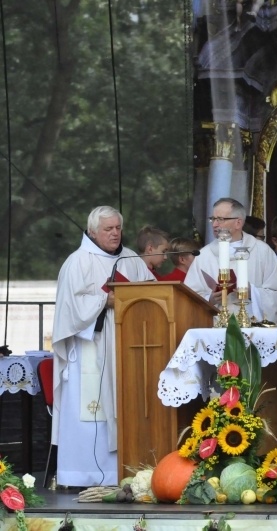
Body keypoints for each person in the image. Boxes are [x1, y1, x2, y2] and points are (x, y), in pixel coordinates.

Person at [52, 206, 155, 486]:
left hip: (126, 344)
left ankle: (123, 474)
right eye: (108, 229)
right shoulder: (78, 261)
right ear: (93, 232)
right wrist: (104, 301)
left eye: (118, 228)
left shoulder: (131, 258)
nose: (114, 233)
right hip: (90, 348)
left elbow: (154, 292)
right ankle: (81, 475)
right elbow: (69, 308)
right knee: (91, 412)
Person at [184, 198, 277, 323]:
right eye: (213, 219)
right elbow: (188, 298)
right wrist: (210, 299)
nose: (214, 224)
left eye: (220, 219)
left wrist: (252, 292)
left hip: (253, 327)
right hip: (216, 327)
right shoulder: (204, 255)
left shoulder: (262, 251)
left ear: (238, 223)